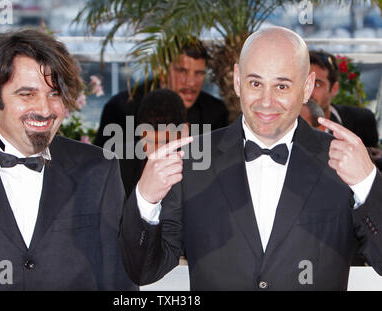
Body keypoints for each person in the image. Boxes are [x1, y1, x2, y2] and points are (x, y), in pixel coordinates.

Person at [119, 26, 382, 290]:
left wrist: (367, 184)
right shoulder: (193, 160)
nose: (266, 102)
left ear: (307, 87)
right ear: (237, 80)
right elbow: (143, 271)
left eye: (281, 86)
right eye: (256, 83)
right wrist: (146, 199)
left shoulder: (343, 163)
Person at [0, 29, 136, 290]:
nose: (44, 109)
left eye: (54, 94)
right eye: (27, 94)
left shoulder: (98, 167)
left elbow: (119, 281)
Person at [93, 40, 228, 149]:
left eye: (199, 73)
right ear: (161, 71)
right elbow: (101, 166)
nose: (191, 83)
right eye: (182, 71)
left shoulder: (215, 112)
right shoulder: (121, 107)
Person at [309, 50, 381, 170]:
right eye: (304, 83)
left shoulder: (361, 122)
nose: (308, 91)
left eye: (317, 84)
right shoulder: (279, 125)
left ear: (334, 89)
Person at [117, 88, 188, 197]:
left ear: (184, 132)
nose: (158, 153)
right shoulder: (119, 161)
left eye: (166, 143)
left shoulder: (205, 170)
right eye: (150, 142)